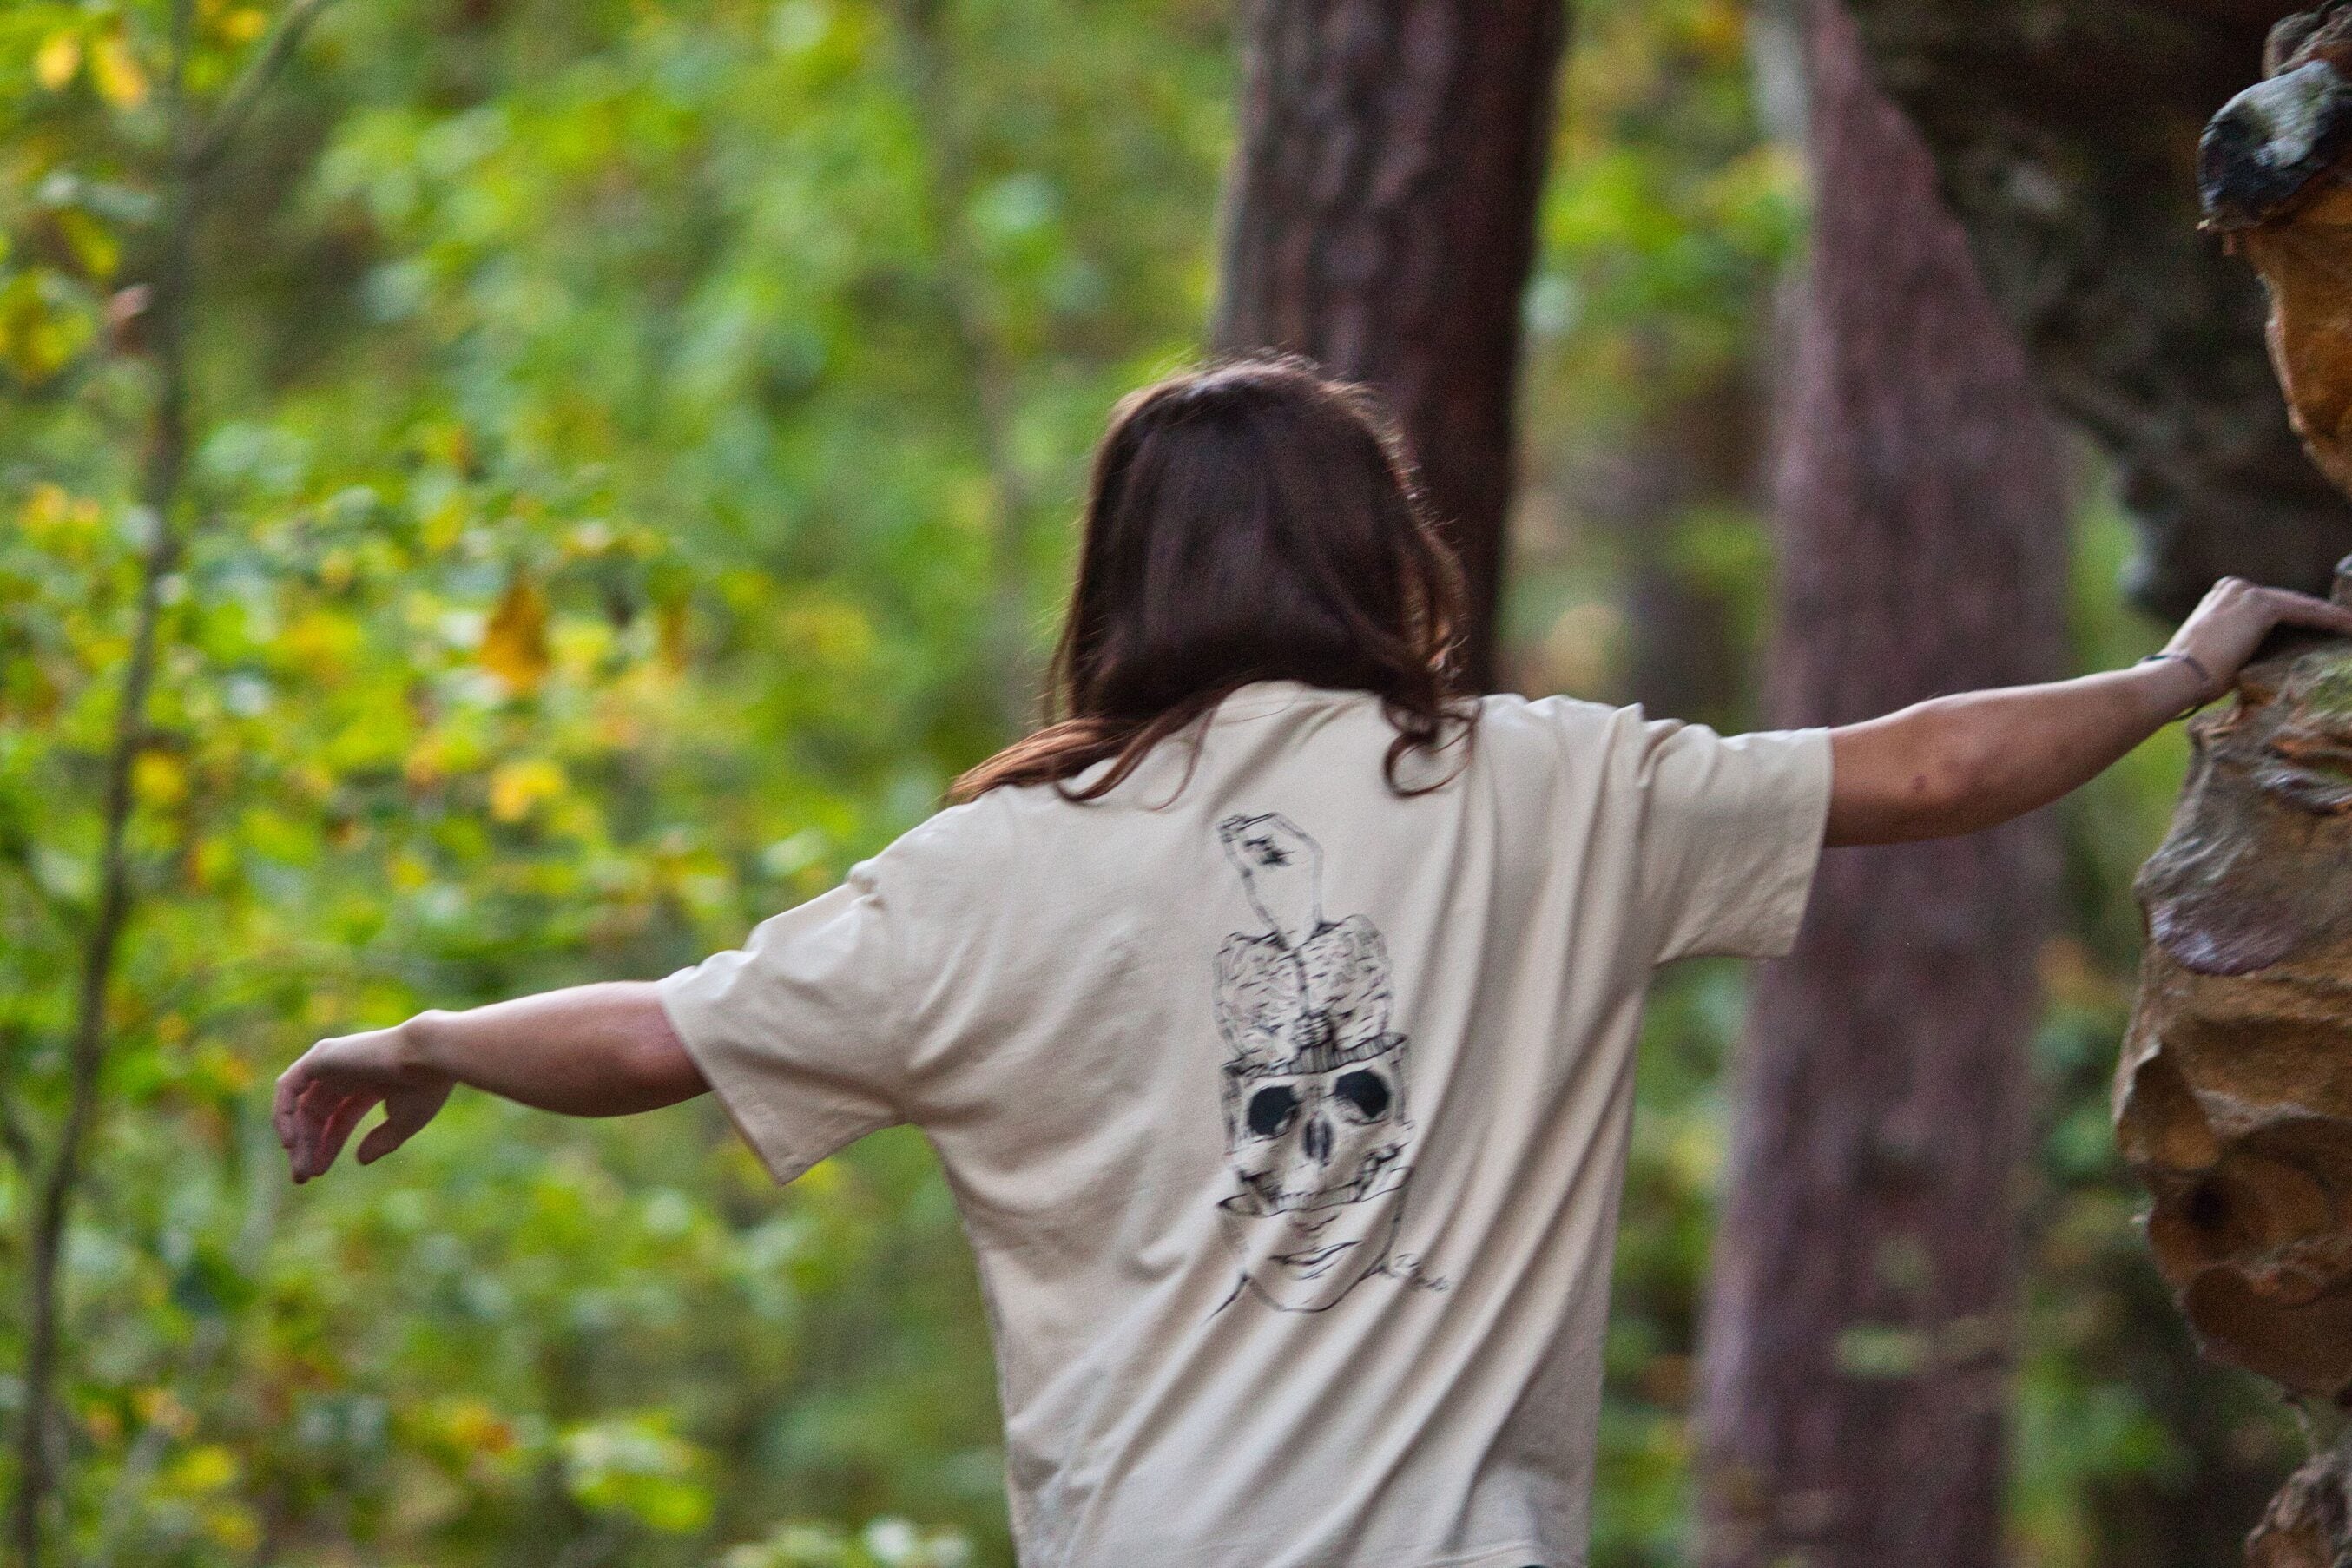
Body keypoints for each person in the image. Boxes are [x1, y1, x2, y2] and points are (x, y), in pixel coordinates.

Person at [274, 358, 2352, 1568]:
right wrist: (2178, 672)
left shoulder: (990, 870)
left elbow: (658, 1032)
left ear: (1114, 583)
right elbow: (1920, 770)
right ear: (1386, 556)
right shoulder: (1551, 789)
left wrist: (431, 1033)